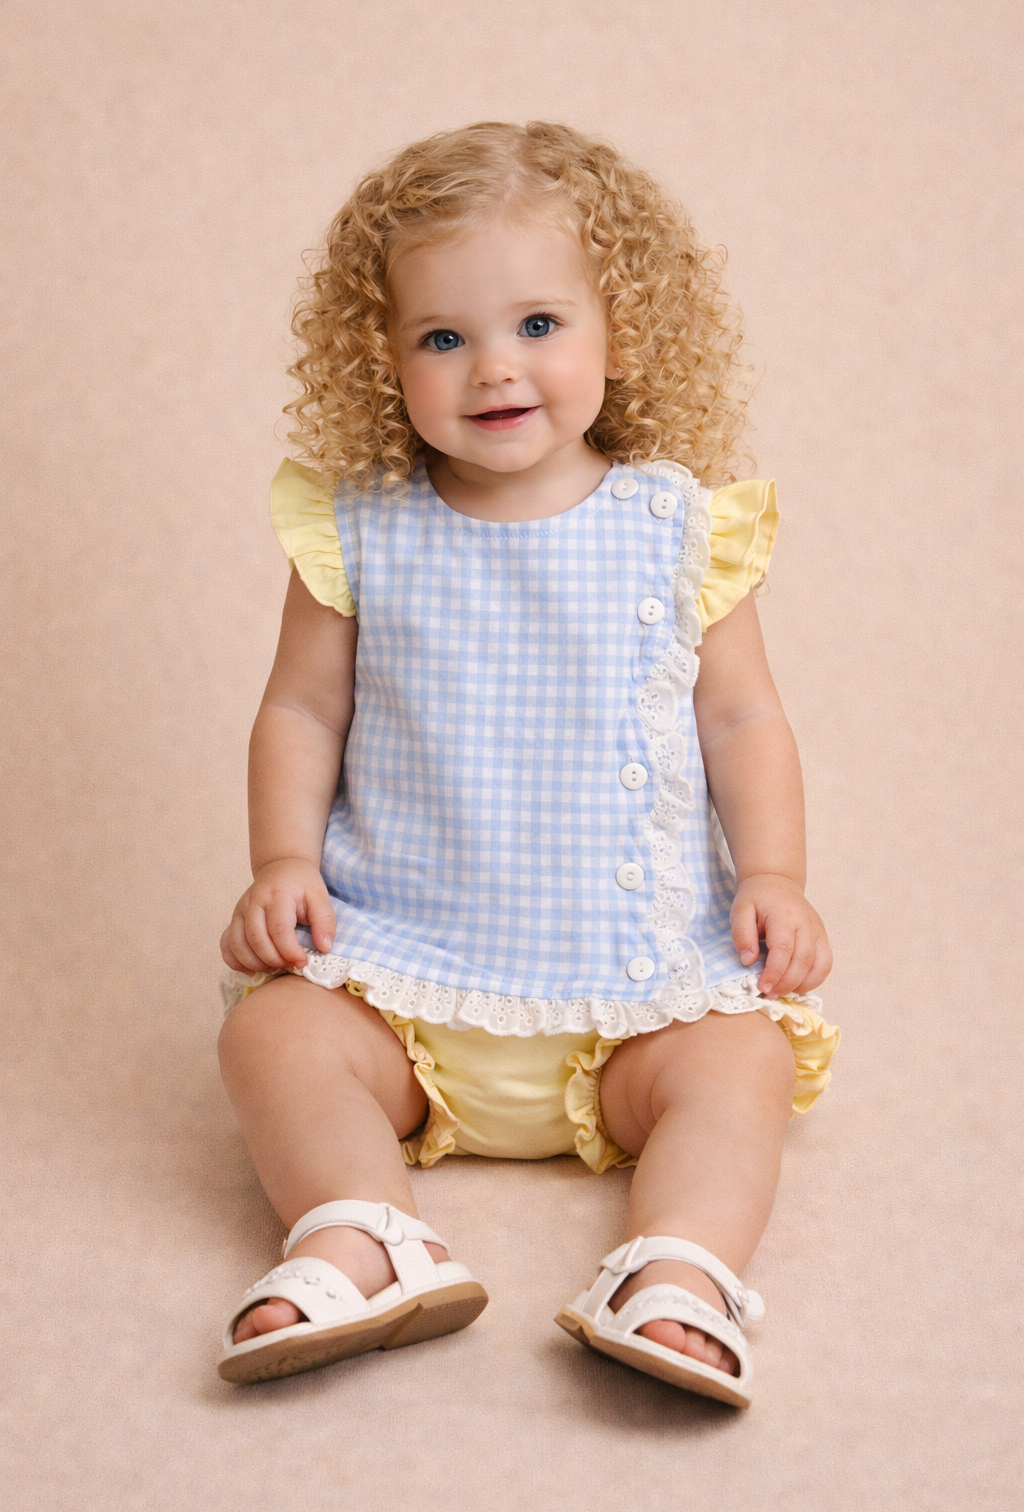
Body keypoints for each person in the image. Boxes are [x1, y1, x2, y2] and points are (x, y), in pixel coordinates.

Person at [216, 121, 839, 1406]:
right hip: (400, 984)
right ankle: (359, 1232)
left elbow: (742, 722)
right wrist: (282, 860)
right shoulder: (358, 533)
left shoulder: (678, 527)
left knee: (743, 1063)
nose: (495, 367)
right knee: (273, 1032)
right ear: (385, 360)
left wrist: (772, 872)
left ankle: (677, 1268)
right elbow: (299, 715)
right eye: (443, 337)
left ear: (622, 327)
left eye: (539, 325)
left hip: (633, 1008)